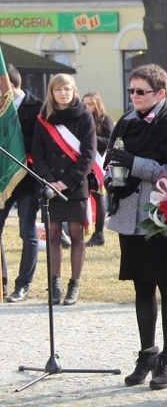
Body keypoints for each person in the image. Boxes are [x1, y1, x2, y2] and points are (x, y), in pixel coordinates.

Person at [104, 64, 167, 389]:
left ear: (160, 93)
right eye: (131, 91)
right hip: (130, 214)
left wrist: (136, 165)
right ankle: (147, 352)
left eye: (140, 91)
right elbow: (110, 160)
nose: (134, 96)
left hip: (163, 213)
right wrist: (109, 181)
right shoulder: (125, 122)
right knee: (141, 284)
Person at [31, 73, 96, 306]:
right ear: (52, 92)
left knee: (77, 235)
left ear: (74, 90)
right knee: (54, 235)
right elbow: (37, 155)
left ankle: (74, 284)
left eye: (67, 88)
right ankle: (55, 283)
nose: (63, 93)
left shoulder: (85, 117)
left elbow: (88, 156)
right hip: (50, 187)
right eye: (59, 89)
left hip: (75, 186)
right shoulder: (43, 119)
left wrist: (67, 182)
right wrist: (50, 181)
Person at [2, 64, 41, 303]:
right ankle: (1, 282)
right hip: (2, 180)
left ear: (9, 85)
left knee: (27, 232)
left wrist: (13, 139)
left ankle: (22, 285)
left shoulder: (36, 107)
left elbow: (39, 144)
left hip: (27, 179)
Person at [82, 92, 113, 247]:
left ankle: (99, 233)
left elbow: (109, 141)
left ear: (97, 104)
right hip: (85, 161)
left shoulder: (105, 119)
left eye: (90, 104)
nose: (87, 107)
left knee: (99, 197)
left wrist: (90, 137)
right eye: (85, 104)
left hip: (99, 163)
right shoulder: (81, 119)